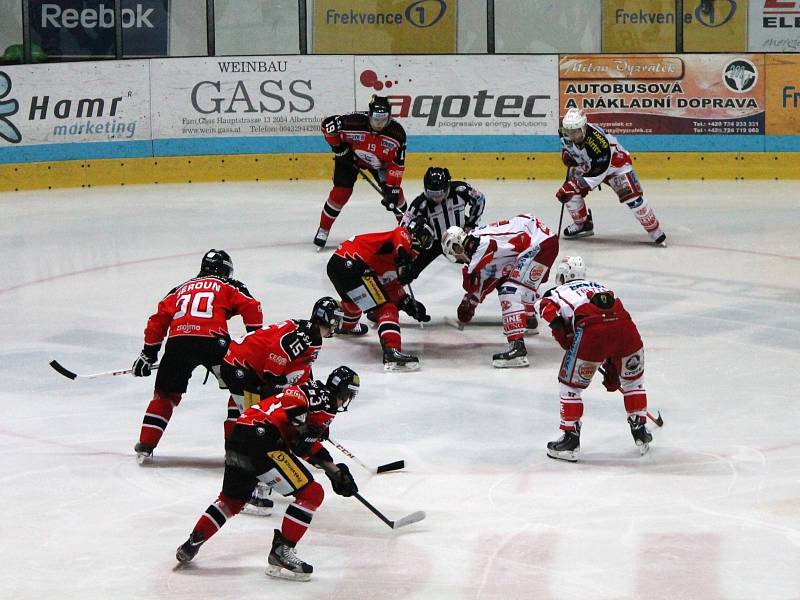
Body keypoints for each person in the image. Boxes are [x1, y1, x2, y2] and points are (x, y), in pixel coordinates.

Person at [175, 366, 361, 582]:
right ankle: (282, 551)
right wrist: (333, 470)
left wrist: (333, 469)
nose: (346, 400)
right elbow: (301, 444)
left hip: (241, 432)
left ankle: (192, 543)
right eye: (348, 395)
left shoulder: (309, 388)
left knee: (231, 500)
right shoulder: (327, 404)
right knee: (311, 494)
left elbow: (299, 436)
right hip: (261, 441)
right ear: (342, 392)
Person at [132, 249, 262, 465]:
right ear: (226, 270)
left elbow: (158, 319)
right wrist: (253, 343)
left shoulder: (179, 289)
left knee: (165, 395)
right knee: (242, 390)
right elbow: (252, 307)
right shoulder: (230, 285)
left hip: (178, 343)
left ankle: (146, 444)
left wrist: (148, 354)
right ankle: (235, 450)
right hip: (214, 343)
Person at [535, 256, 653, 462]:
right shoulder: (601, 287)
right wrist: (612, 364)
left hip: (592, 334)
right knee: (633, 381)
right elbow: (612, 322)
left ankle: (570, 440)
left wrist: (561, 331)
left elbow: (544, 307)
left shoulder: (555, 292)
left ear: (562, 276)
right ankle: (640, 429)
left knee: (570, 387)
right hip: (627, 330)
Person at [441, 214, 559, 368]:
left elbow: (476, 276)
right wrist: (469, 304)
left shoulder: (477, 244)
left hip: (539, 244)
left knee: (509, 291)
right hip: (542, 241)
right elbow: (490, 277)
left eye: (453, 251)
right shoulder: (480, 243)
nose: (456, 257)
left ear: (457, 245)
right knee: (520, 283)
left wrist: (469, 284)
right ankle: (529, 320)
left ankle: (517, 349)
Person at [327, 220, 434, 371]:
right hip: (352, 265)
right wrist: (403, 257)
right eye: (425, 240)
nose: (423, 247)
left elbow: (387, 286)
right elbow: (400, 233)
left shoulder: (393, 254)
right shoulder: (403, 240)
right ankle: (392, 352)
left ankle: (345, 326)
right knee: (387, 308)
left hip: (338, 265)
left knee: (355, 302)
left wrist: (407, 302)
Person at [557, 108, 667, 246]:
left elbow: (598, 171)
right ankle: (582, 225)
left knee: (634, 200)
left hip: (615, 165)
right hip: (589, 165)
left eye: (576, 132)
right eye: (569, 131)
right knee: (570, 194)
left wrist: (573, 185)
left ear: (584, 127)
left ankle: (655, 231)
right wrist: (567, 154)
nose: (572, 135)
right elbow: (567, 146)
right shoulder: (563, 132)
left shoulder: (598, 142)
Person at [314, 95, 408, 249]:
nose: (378, 124)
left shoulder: (397, 134)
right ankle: (324, 229)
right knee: (341, 192)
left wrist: (393, 188)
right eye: (375, 119)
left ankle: (407, 229)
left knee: (396, 197)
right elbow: (327, 126)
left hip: (379, 165)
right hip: (349, 158)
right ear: (369, 115)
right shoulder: (353, 122)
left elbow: (397, 165)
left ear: (389, 117)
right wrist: (339, 149)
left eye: (383, 120)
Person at [399, 166, 486, 279]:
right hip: (434, 242)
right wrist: (414, 230)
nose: (435, 198)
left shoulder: (461, 190)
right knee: (410, 272)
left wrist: (471, 224)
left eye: (439, 193)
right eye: (431, 193)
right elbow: (404, 224)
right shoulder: (421, 203)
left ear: (446, 187)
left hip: (459, 238)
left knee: (478, 264)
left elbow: (479, 199)